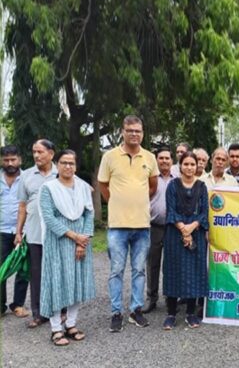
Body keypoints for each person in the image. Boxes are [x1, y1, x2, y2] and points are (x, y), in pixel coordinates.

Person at [98, 115, 159, 332]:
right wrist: (116, 201)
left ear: (143, 133)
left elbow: (152, 187)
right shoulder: (110, 157)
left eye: (138, 131)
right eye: (130, 130)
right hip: (117, 226)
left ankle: (135, 310)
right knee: (116, 271)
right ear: (122, 131)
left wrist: (136, 201)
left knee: (139, 271)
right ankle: (116, 312)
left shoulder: (149, 158)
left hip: (142, 225)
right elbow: (103, 185)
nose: (134, 134)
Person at [39, 150, 95, 346]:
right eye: (64, 162)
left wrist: (83, 239)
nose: (68, 166)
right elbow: (49, 218)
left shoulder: (82, 187)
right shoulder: (49, 188)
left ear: (76, 166)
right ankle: (56, 329)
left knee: (76, 282)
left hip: (81, 240)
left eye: (71, 163)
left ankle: (71, 324)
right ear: (57, 164)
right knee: (57, 282)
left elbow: (89, 213)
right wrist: (74, 237)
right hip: (58, 241)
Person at [162, 151, 209, 330]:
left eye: (192, 164)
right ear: (180, 166)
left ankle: (190, 313)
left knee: (194, 272)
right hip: (175, 234)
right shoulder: (172, 186)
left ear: (197, 166)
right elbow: (171, 209)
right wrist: (183, 228)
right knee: (174, 271)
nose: (189, 167)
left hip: (196, 233)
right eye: (186, 164)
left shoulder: (202, 186)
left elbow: (204, 212)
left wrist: (191, 227)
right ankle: (171, 314)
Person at [16, 139, 58, 328]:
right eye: (34, 152)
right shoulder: (26, 175)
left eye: (40, 152)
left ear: (51, 153)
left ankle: (60, 311)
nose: (36, 155)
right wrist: (19, 231)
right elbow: (22, 206)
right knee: (36, 274)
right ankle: (38, 314)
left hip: (57, 233)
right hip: (34, 233)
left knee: (58, 272)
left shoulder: (61, 172)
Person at [142, 147, 175, 314]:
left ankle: (170, 297)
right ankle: (151, 298)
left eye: (167, 158)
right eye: (161, 158)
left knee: (170, 264)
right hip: (154, 227)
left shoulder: (177, 179)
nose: (164, 161)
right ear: (156, 160)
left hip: (173, 228)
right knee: (152, 264)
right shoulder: (150, 178)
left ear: (172, 161)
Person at [0, 145, 29, 318]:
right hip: (1, 230)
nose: (10, 163)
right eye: (6, 160)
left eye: (13, 159)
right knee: (1, 268)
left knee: (23, 269)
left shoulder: (28, 178)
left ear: (20, 160)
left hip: (24, 231)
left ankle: (17, 304)